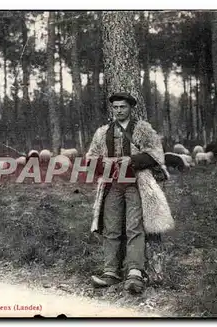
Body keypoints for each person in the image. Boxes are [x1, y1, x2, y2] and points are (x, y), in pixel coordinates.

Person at [86, 92, 174, 294]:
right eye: (115, 107)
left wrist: (132, 161)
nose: (118, 111)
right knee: (111, 228)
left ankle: (135, 272)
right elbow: (90, 158)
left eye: (122, 107)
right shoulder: (103, 132)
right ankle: (110, 272)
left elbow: (156, 154)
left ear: (130, 108)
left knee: (135, 227)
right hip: (111, 185)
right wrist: (103, 163)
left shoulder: (143, 129)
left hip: (136, 183)